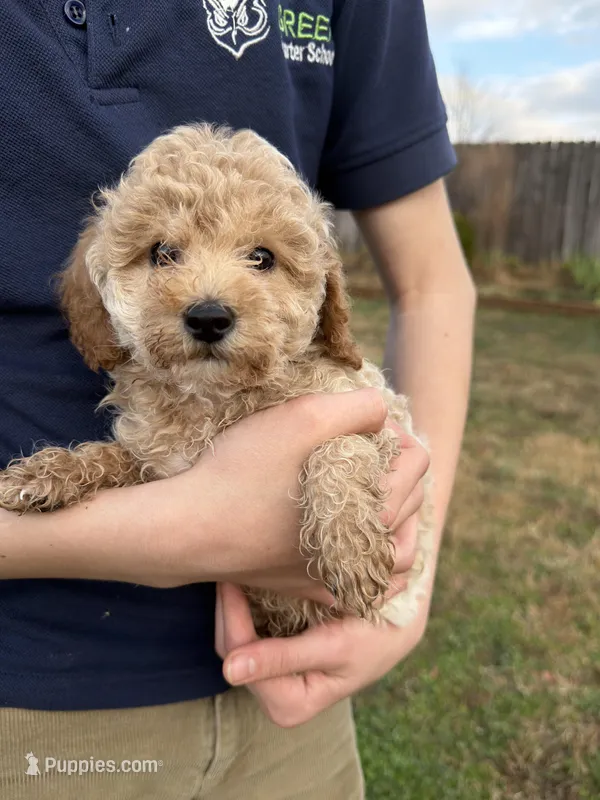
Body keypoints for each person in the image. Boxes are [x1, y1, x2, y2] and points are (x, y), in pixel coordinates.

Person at [0, 1, 475, 798]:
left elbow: (432, 287)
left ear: (326, 300)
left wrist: (409, 586)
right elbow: (147, 453)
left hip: (295, 711)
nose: (210, 296)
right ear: (98, 288)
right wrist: (177, 526)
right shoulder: (133, 367)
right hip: (29, 698)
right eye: (163, 253)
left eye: (260, 255)